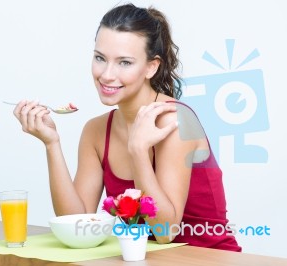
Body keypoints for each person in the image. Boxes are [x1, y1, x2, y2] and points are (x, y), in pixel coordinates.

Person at [13, 3, 241, 252]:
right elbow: (77, 225)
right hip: (143, 258)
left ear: (151, 67)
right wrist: (51, 143)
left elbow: (164, 232)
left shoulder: (176, 121)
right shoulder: (96, 131)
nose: (107, 75)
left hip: (207, 258)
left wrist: (138, 151)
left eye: (124, 62)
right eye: (100, 58)